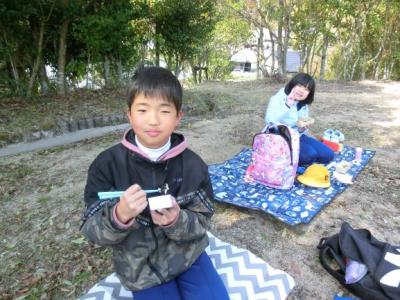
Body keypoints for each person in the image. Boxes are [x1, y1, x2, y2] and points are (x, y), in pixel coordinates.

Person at [81, 66, 229, 300]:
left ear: (178, 116)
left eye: (164, 110)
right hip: (140, 270)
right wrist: (120, 215)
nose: (153, 120)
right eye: (142, 109)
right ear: (129, 114)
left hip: (189, 256)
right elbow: (92, 232)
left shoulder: (193, 165)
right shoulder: (106, 165)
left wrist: (176, 221)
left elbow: (203, 221)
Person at [265, 72, 334, 165]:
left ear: (309, 94)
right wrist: (287, 105)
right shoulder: (278, 98)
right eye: (300, 86)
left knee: (328, 155)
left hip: (297, 136)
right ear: (293, 85)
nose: (301, 91)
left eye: (306, 89)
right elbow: (270, 120)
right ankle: (279, 156)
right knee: (310, 155)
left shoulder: (303, 105)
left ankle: (297, 156)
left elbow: (300, 128)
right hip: (279, 138)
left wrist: (302, 128)